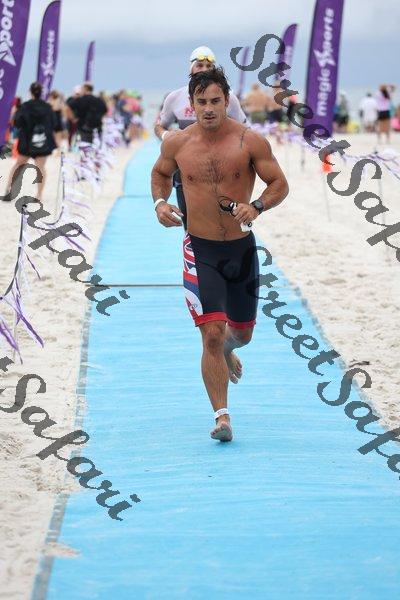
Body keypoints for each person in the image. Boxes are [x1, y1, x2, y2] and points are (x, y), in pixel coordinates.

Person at [151, 68, 289, 442]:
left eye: (215, 101)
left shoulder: (249, 141)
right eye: (202, 102)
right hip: (200, 249)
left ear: (227, 101)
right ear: (191, 104)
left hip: (240, 249)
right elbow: (160, 174)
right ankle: (222, 417)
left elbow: (279, 183)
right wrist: (160, 203)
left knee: (241, 334)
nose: (209, 108)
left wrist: (257, 206)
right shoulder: (177, 143)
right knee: (211, 333)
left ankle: (230, 347)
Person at [154, 46, 247, 230]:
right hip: (185, 168)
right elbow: (159, 125)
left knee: (224, 224)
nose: (204, 69)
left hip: (222, 166)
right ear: (191, 68)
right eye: (199, 65)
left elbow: (245, 130)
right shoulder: (175, 97)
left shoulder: (227, 98)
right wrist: (167, 135)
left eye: (208, 66)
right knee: (191, 225)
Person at [2, 82, 56, 202]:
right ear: (41, 93)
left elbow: (17, 123)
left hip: (26, 140)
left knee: (19, 165)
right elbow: (54, 123)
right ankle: (39, 195)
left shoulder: (25, 106)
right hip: (42, 140)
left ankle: (9, 191)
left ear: (30, 92)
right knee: (40, 167)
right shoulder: (47, 107)